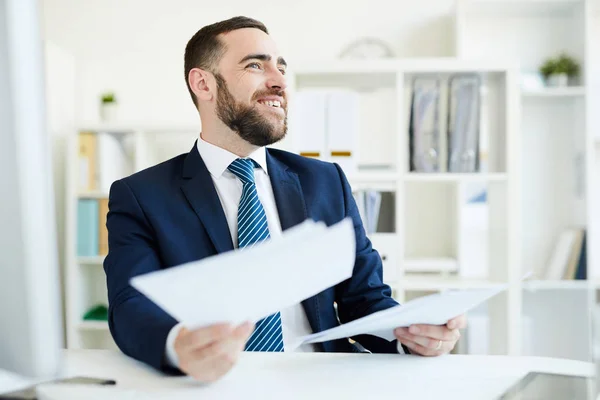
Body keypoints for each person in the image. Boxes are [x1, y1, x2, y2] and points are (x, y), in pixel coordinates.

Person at [104, 16, 467, 383]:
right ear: (203, 83)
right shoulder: (140, 196)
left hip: (324, 383)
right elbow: (129, 306)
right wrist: (178, 345)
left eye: (281, 68)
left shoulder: (324, 182)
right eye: (255, 65)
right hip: (216, 383)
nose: (278, 81)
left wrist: (410, 334)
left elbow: (365, 298)